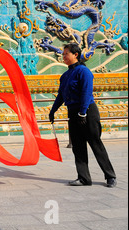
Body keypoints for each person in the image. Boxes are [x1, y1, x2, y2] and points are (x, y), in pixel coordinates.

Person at [49, 43, 116, 188]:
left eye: (66, 53)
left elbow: (86, 93)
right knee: (78, 147)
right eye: (63, 53)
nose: (64, 56)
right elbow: (61, 95)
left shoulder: (83, 71)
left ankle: (110, 176)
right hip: (73, 113)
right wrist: (53, 111)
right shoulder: (65, 76)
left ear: (75, 55)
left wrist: (83, 112)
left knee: (95, 144)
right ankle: (84, 178)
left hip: (88, 112)